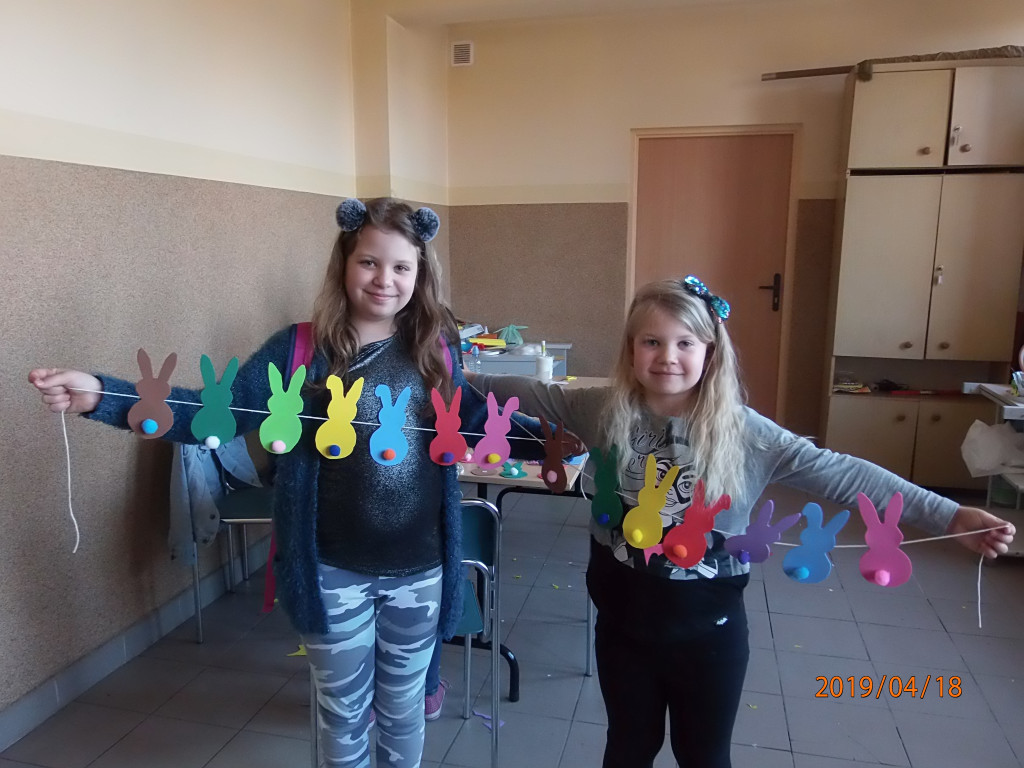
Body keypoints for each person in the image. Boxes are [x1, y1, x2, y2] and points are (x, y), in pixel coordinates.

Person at [28, 197, 548, 768]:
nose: (385, 279)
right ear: (343, 263)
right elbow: (213, 413)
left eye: (401, 266)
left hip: (420, 571)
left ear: (419, 274)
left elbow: (473, 418)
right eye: (369, 262)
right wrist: (103, 396)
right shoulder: (300, 351)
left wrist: (553, 440)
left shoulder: (434, 351)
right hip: (330, 574)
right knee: (344, 716)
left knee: (404, 712)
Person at [464, 276, 1016, 768]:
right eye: (652, 341)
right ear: (631, 348)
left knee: (703, 755)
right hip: (621, 626)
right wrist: (447, 371)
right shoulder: (602, 409)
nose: (667, 357)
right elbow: (525, 391)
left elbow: (847, 475)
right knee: (628, 747)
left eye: (685, 343)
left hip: (708, 635)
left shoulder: (747, 433)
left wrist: (950, 514)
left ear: (711, 351)